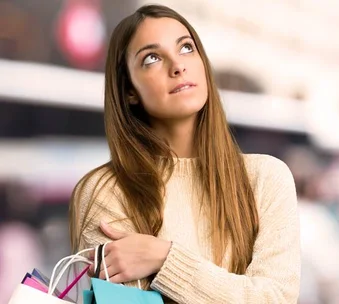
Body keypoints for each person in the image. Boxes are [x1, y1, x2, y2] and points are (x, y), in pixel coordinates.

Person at [68, 4, 301, 303]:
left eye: (187, 48)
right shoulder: (105, 190)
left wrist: (164, 258)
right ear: (129, 90)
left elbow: (275, 298)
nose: (177, 66)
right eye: (152, 58)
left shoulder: (266, 178)